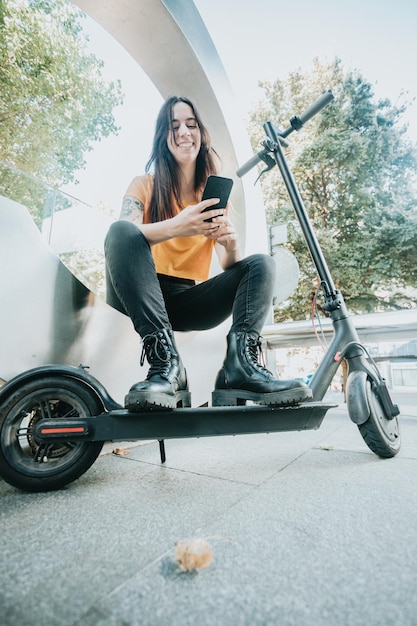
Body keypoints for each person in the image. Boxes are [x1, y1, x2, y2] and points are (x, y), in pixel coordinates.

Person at [104, 96, 311, 411]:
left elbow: (227, 265)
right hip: (138, 295)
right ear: (163, 137)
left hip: (186, 300)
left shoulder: (213, 198)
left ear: (201, 134)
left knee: (261, 264)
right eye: (175, 126)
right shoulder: (144, 185)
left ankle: (241, 366)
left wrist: (230, 244)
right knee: (119, 231)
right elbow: (124, 234)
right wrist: (177, 225)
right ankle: (168, 367)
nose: (185, 132)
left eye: (191, 124)